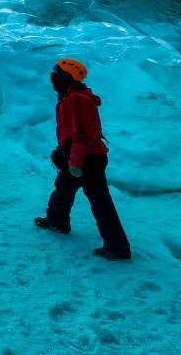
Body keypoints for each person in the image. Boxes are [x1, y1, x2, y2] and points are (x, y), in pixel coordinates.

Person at [34, 58, 132, 260]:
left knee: (100, 201)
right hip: (77, 155)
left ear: (66, 77)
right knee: (63, 188)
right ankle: (57, 221)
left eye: (57, 73)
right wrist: (64, 152)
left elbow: (84, 135)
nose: (52, 77)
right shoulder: (68, 96)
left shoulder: (77, 100)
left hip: (89, 159)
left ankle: (117, 248)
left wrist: (76, 164)